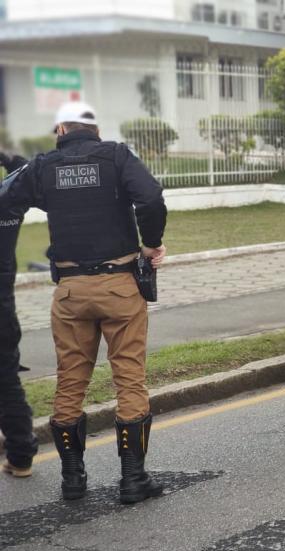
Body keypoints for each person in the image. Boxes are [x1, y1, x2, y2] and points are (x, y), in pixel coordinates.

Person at [0, 101, 168, 503]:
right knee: (129, 378)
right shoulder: (117, 156)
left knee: (70, 381)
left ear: (61, 129)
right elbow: (150, 198)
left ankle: (72, 480)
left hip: (71, 292)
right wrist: (151, 245)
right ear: (95, 128)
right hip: (119, 287)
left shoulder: (43, 166)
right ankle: (133, 480)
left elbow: (6, 197)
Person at [0, 153, 38, 479]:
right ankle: (21, 457)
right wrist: (5, 156)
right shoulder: (8, 201)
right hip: (2, 310)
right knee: (7, 383)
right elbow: (28, 168)